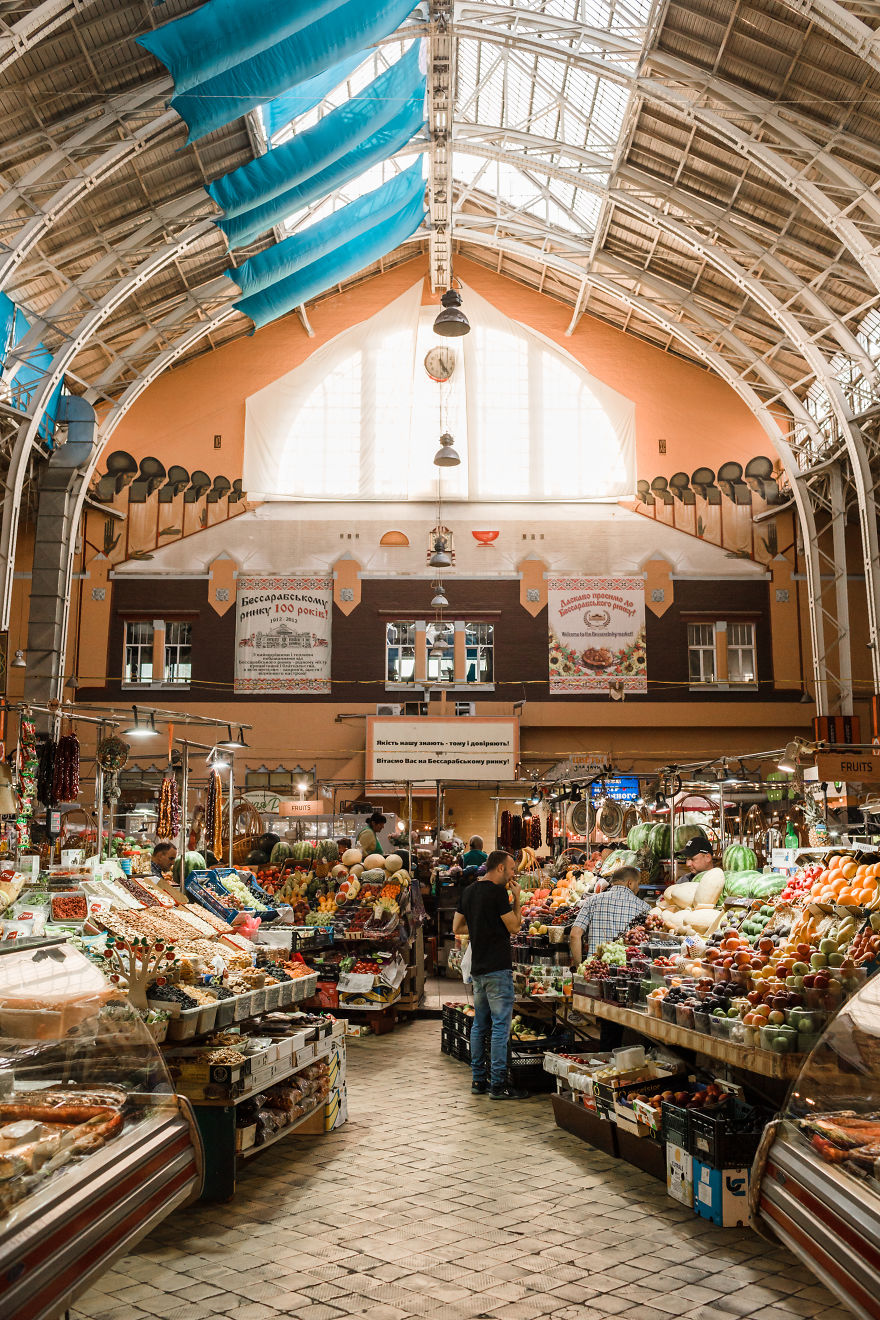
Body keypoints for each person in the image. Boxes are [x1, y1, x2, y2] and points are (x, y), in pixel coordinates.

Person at [452, 850, 526, 1100]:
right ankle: (498, 1085)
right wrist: (517, 899)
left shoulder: (469, 891)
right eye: (512, 869)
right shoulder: (497, 892)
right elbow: (515, 927)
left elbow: (457, 927)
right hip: (497, 968)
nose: (514, 873)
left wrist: (479, 928)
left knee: (480, 1025)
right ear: (501, 868)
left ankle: (478, 1080)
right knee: (500, 1027)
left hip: (479, 970)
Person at [569, 858, 649, 967]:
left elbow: (575, 935)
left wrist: (579, 966)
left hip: (595, 969)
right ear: (630, 883)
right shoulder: (644, 907)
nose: (638, 888)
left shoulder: (593, 901)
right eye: (638, 884)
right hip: (625, 971)